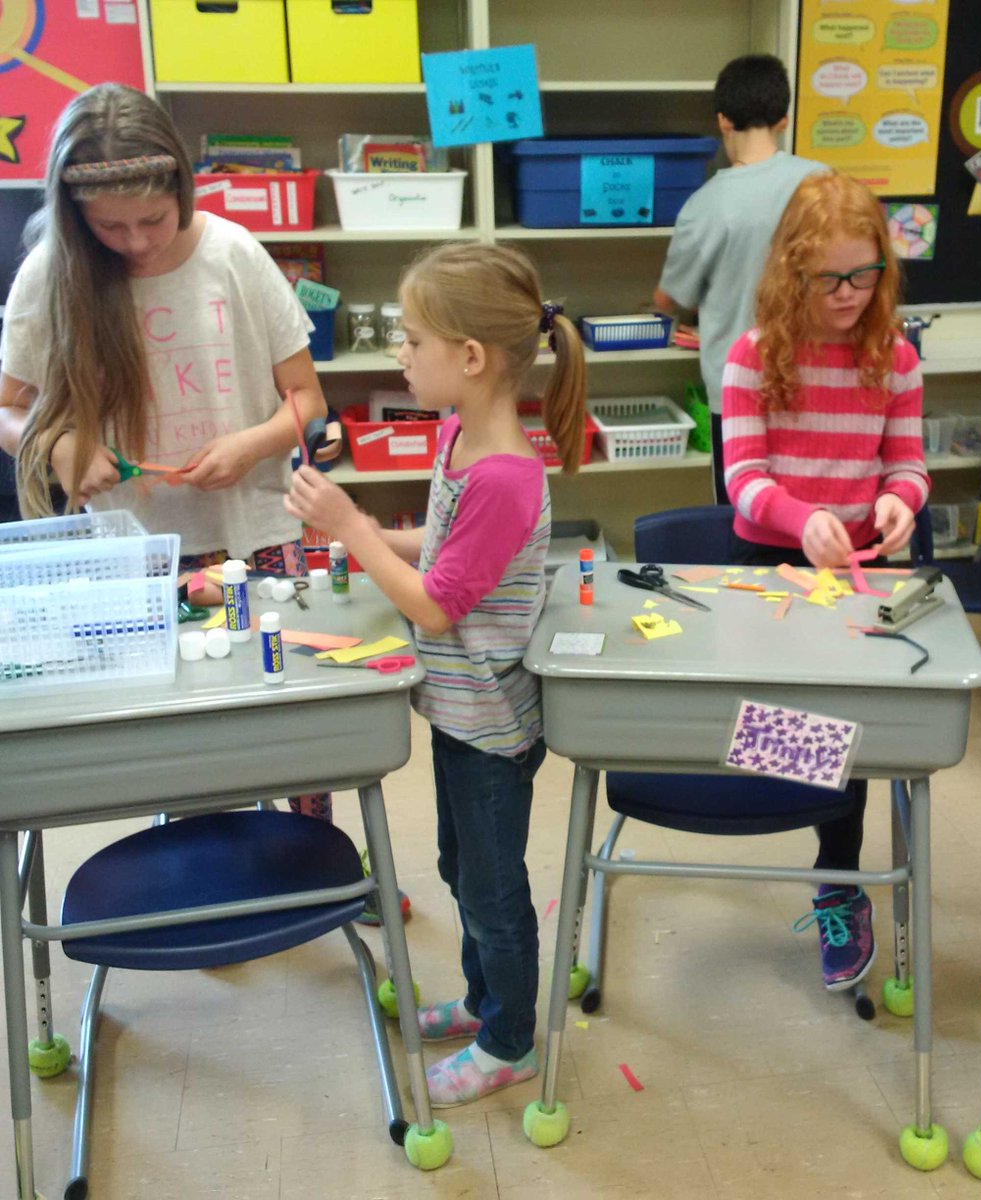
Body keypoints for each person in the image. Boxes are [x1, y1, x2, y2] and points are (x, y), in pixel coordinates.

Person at [0, 84, 392, 882]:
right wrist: (60, 444)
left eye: (154, 218)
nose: (137, 242)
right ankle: (211, 879)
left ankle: (322, 868)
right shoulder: (52, 273)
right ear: (76, 219)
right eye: (111, 228)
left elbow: (308, 403)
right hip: (140, 554)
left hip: (259, 533)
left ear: (182, 188)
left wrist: (254, 443)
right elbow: (8, 411)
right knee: (185, 735)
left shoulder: (233, 254)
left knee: (293, 725)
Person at [285, 242, 588, 1107]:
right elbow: (448, 557)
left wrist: (353, 528)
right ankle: (487, 1000)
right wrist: (364, 538)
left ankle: (510, 1042)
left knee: (493, 892)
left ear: (470, 357)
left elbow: (435, 606)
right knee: (462, 870)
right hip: (459, 712)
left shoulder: (504, 477)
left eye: (411, 340)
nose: (399, 355)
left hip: (491, 721)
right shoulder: (458, 436)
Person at [721, 170, 930, 992]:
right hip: (773, 563)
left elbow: (908, 464)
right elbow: (743, 478)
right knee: (782, 732)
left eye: (864, 274)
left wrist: (897, 500)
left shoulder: (895, 354)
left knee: (853, 740)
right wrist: (797, 515)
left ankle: (837, 879)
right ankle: (797, 820)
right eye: (829, 278)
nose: (848, 294)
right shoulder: (754, 354)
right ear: (791, 272)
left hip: (862, 570)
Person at [654, 53, 825, 504]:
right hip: (818, 380)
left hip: (738, 391)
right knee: (811, 508)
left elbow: (670, 297)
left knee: (742, 515)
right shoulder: (824, 186)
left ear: (722, 120)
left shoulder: (707, 203)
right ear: (784, 119)